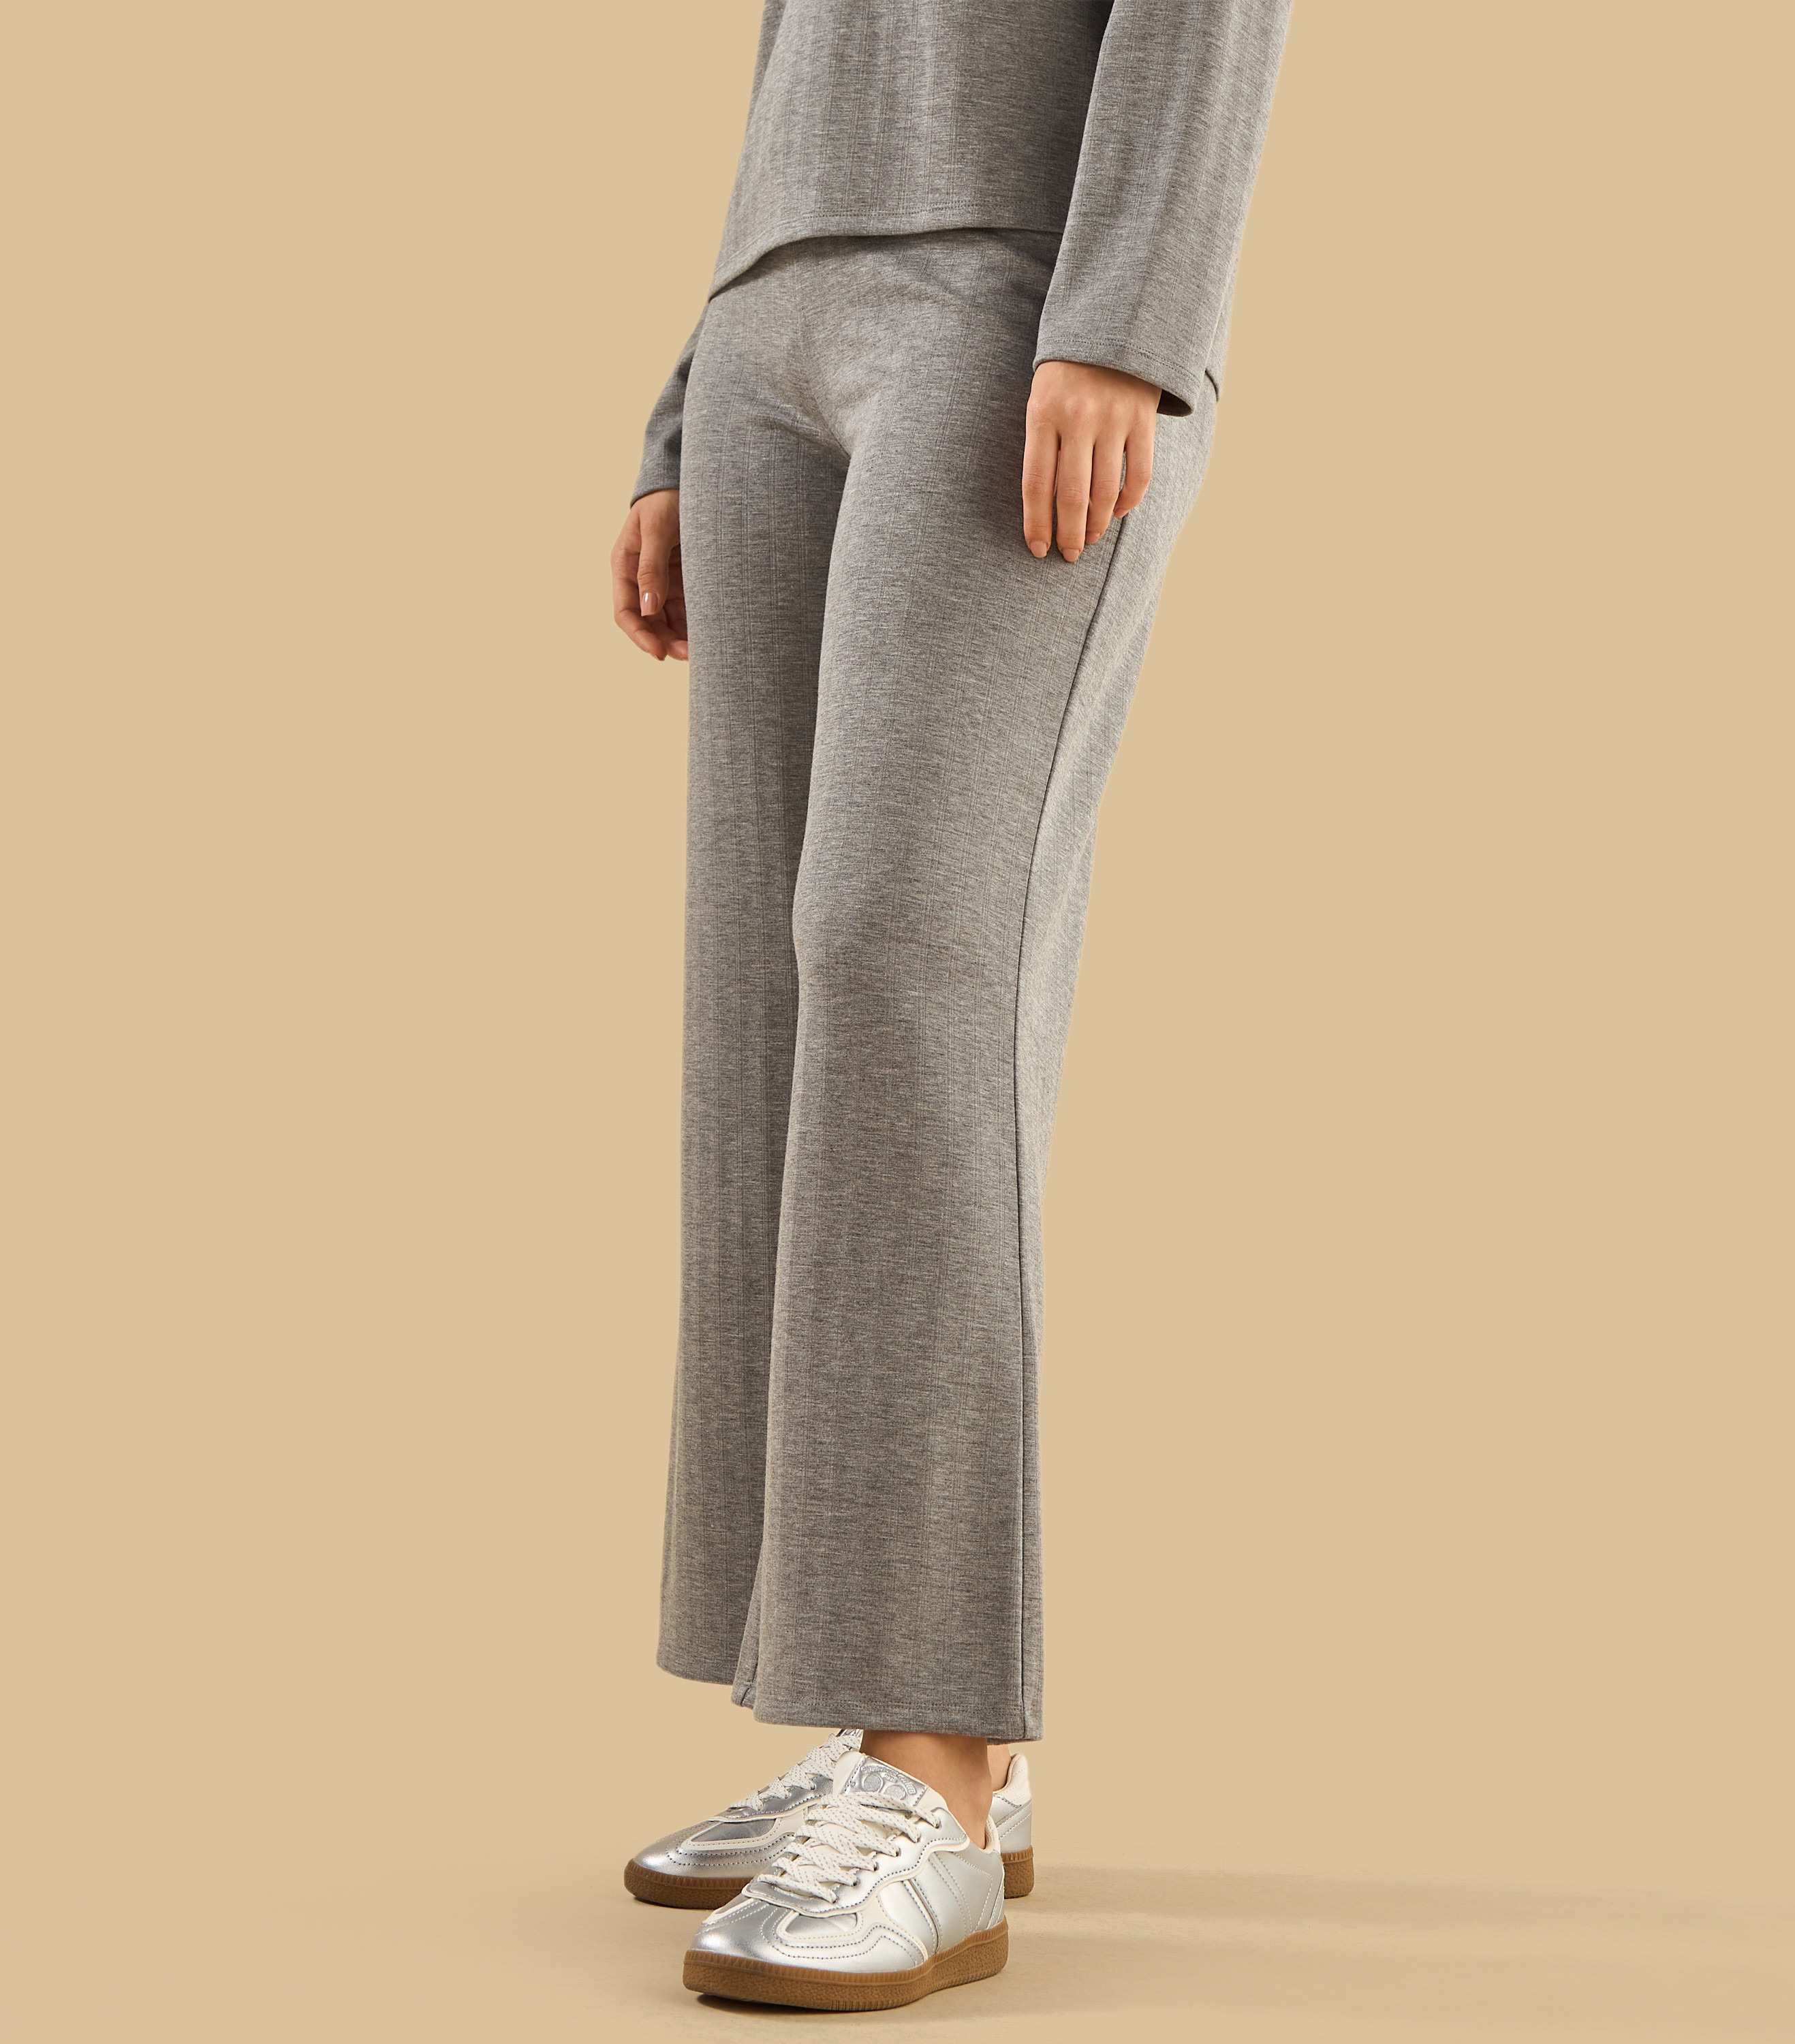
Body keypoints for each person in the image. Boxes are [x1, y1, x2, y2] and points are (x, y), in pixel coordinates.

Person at [608, 1, 1291, 2011]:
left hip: (1019, 287)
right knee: (767, 1014)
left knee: (905, 954)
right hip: (775, 305)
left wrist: (1133, 307)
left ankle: (936, 1757)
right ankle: (872, 1718)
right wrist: (688, 393)